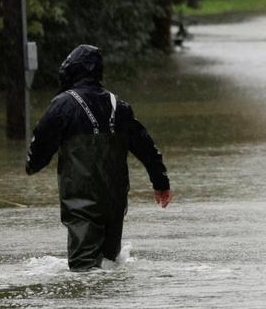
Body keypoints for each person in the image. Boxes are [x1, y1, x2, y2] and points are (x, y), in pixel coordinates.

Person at [25, 44, 172, 270]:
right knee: (110, 263)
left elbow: (41, 143)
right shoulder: (119, 106)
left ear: (71, 71)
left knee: (83, 269)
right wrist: (161, 182)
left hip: (81, 202)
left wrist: (32, 165)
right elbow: (146, 146)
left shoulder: (63, 105)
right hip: (115, 201)